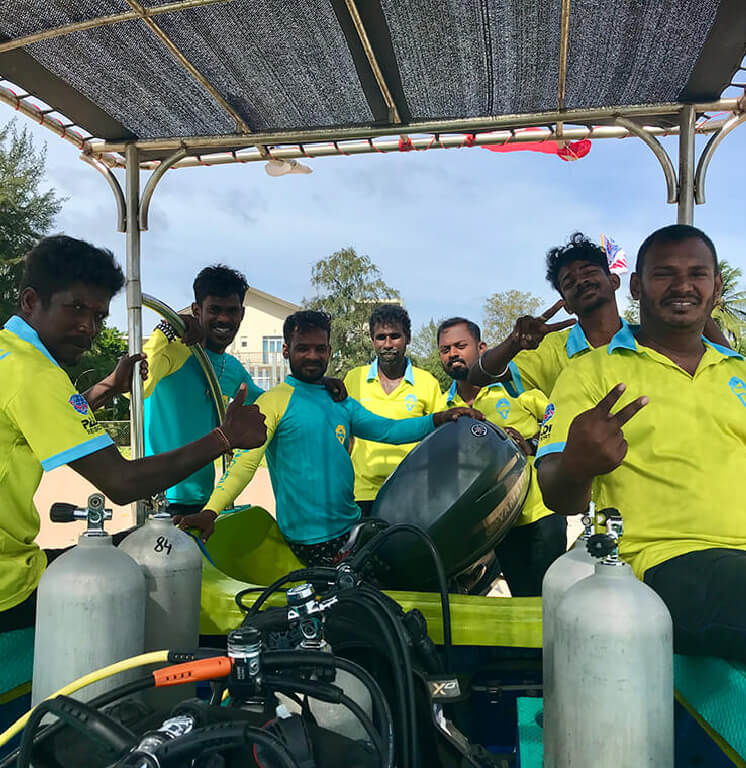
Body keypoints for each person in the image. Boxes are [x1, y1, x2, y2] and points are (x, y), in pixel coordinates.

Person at [0, 236, 267, 640]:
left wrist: (107, 386)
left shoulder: (12, 355)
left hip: (16, 560)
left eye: (98, 315)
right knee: (139, 576)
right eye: (75, 309)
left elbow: (50, 420)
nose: (88, 327)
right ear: (31, 302)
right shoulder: (36, 373)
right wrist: (224, 439)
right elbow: (121, 483)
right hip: (8, 584)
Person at [536, 224, 746, 661]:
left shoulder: (738, 371)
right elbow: (557, 494)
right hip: (663, 562)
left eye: (698, 273)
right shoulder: (589, 372)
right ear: (634, 285)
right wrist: (578, 464)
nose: (683, 285)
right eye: (664, 273)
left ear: (716, 286)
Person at [175, 310, 482, 566]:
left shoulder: (340, 401)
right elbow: (245, 464)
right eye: (302, 348)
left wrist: (440, 417)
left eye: (320, 348)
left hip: (350, 528)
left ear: (329, 351)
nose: (312, 355)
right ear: (286, 350)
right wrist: (211, 510)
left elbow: (389, 430)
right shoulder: (273, 402)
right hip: (306, 541)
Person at [143, 265, 343, 514]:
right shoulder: (175, 350)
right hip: (160, 496)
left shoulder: (232, 368)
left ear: (242, 314)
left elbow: (272, 404)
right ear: (196, 311)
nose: (224, 319)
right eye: (215, 309)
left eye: (232, 311)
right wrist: (165, 330)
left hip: (201, 495)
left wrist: (319, 382)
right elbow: (137, 389)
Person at [468, 232, 729, 397]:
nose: (580, 281)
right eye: (569, 281)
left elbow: (728, 366)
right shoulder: (550, 350)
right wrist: (514, 343)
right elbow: (477, 376)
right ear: (566, 304)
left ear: (615, 281)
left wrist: (688, 301)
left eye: (589, 271)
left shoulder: (652, 338)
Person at [437, 317, 566, 596]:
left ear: (482, 347)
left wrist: (531, 443)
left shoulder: (514, 388)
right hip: (496, 524)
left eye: (460, 345)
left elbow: (561, 424)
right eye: (445, 349)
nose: (453, 354)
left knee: (551, 601)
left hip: (541, 512)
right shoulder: (443, 408)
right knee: (521, 598)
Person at [344, 304, 441, 515]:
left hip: (412, 493)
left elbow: (438, 440)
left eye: (395, 336)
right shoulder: (354, 379)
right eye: (380, 337)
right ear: (372, 340)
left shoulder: (427, 383)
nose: (387, 344)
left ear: (408, 338)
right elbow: (346, 439)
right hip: (362, 494)